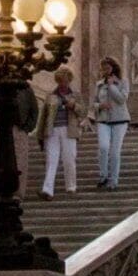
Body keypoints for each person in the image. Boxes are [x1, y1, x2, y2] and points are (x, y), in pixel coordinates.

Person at [36, 69, 81, 197]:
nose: (63, 84)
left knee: (69, 158)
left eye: (65, 81)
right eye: (60, 81)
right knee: (51, 159)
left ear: (69, 80)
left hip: (69, 129)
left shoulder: (75, 95)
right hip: (52, 130)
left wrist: (74, 106)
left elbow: (83, 112)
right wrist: (40, 134)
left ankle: (71, 186)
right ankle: (47, 189)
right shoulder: (51, 95)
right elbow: (44, 116)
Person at [89, 58, 132, 187]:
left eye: (107, 68)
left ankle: (113, 179)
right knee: (103, 147)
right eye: (103, 69)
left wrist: (112, 86)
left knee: (114, 151)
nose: (105, 71)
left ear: (113, 68)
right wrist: (100, 106)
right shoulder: (99, 84)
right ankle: (103, 175)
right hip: (103, 120)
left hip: (120, 120)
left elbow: (122, 99)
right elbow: (93, 103)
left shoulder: (123, 82)